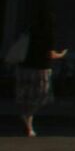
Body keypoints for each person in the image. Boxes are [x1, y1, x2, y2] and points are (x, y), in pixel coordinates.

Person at [15, 8, 66, 138]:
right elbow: (50, 53)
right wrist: (61, 54)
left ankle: (29, 126)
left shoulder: (29, 31)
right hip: (41, 69)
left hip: (24, 68)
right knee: (41, 97)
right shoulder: (48, 34)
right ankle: (26, 119)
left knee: (26, 98)